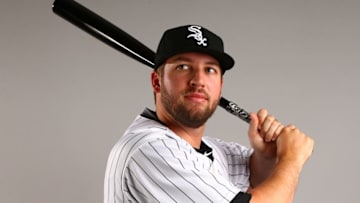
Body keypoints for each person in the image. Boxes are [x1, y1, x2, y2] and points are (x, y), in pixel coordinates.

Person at [104, 24, 314, 203]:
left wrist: (266, 157)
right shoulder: (150, 148)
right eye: (183, 66)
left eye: (210, 69)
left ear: (220, 86)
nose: (198, 80)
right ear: (157, 81)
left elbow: (260, 184)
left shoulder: (213, 151)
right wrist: (291, 158)